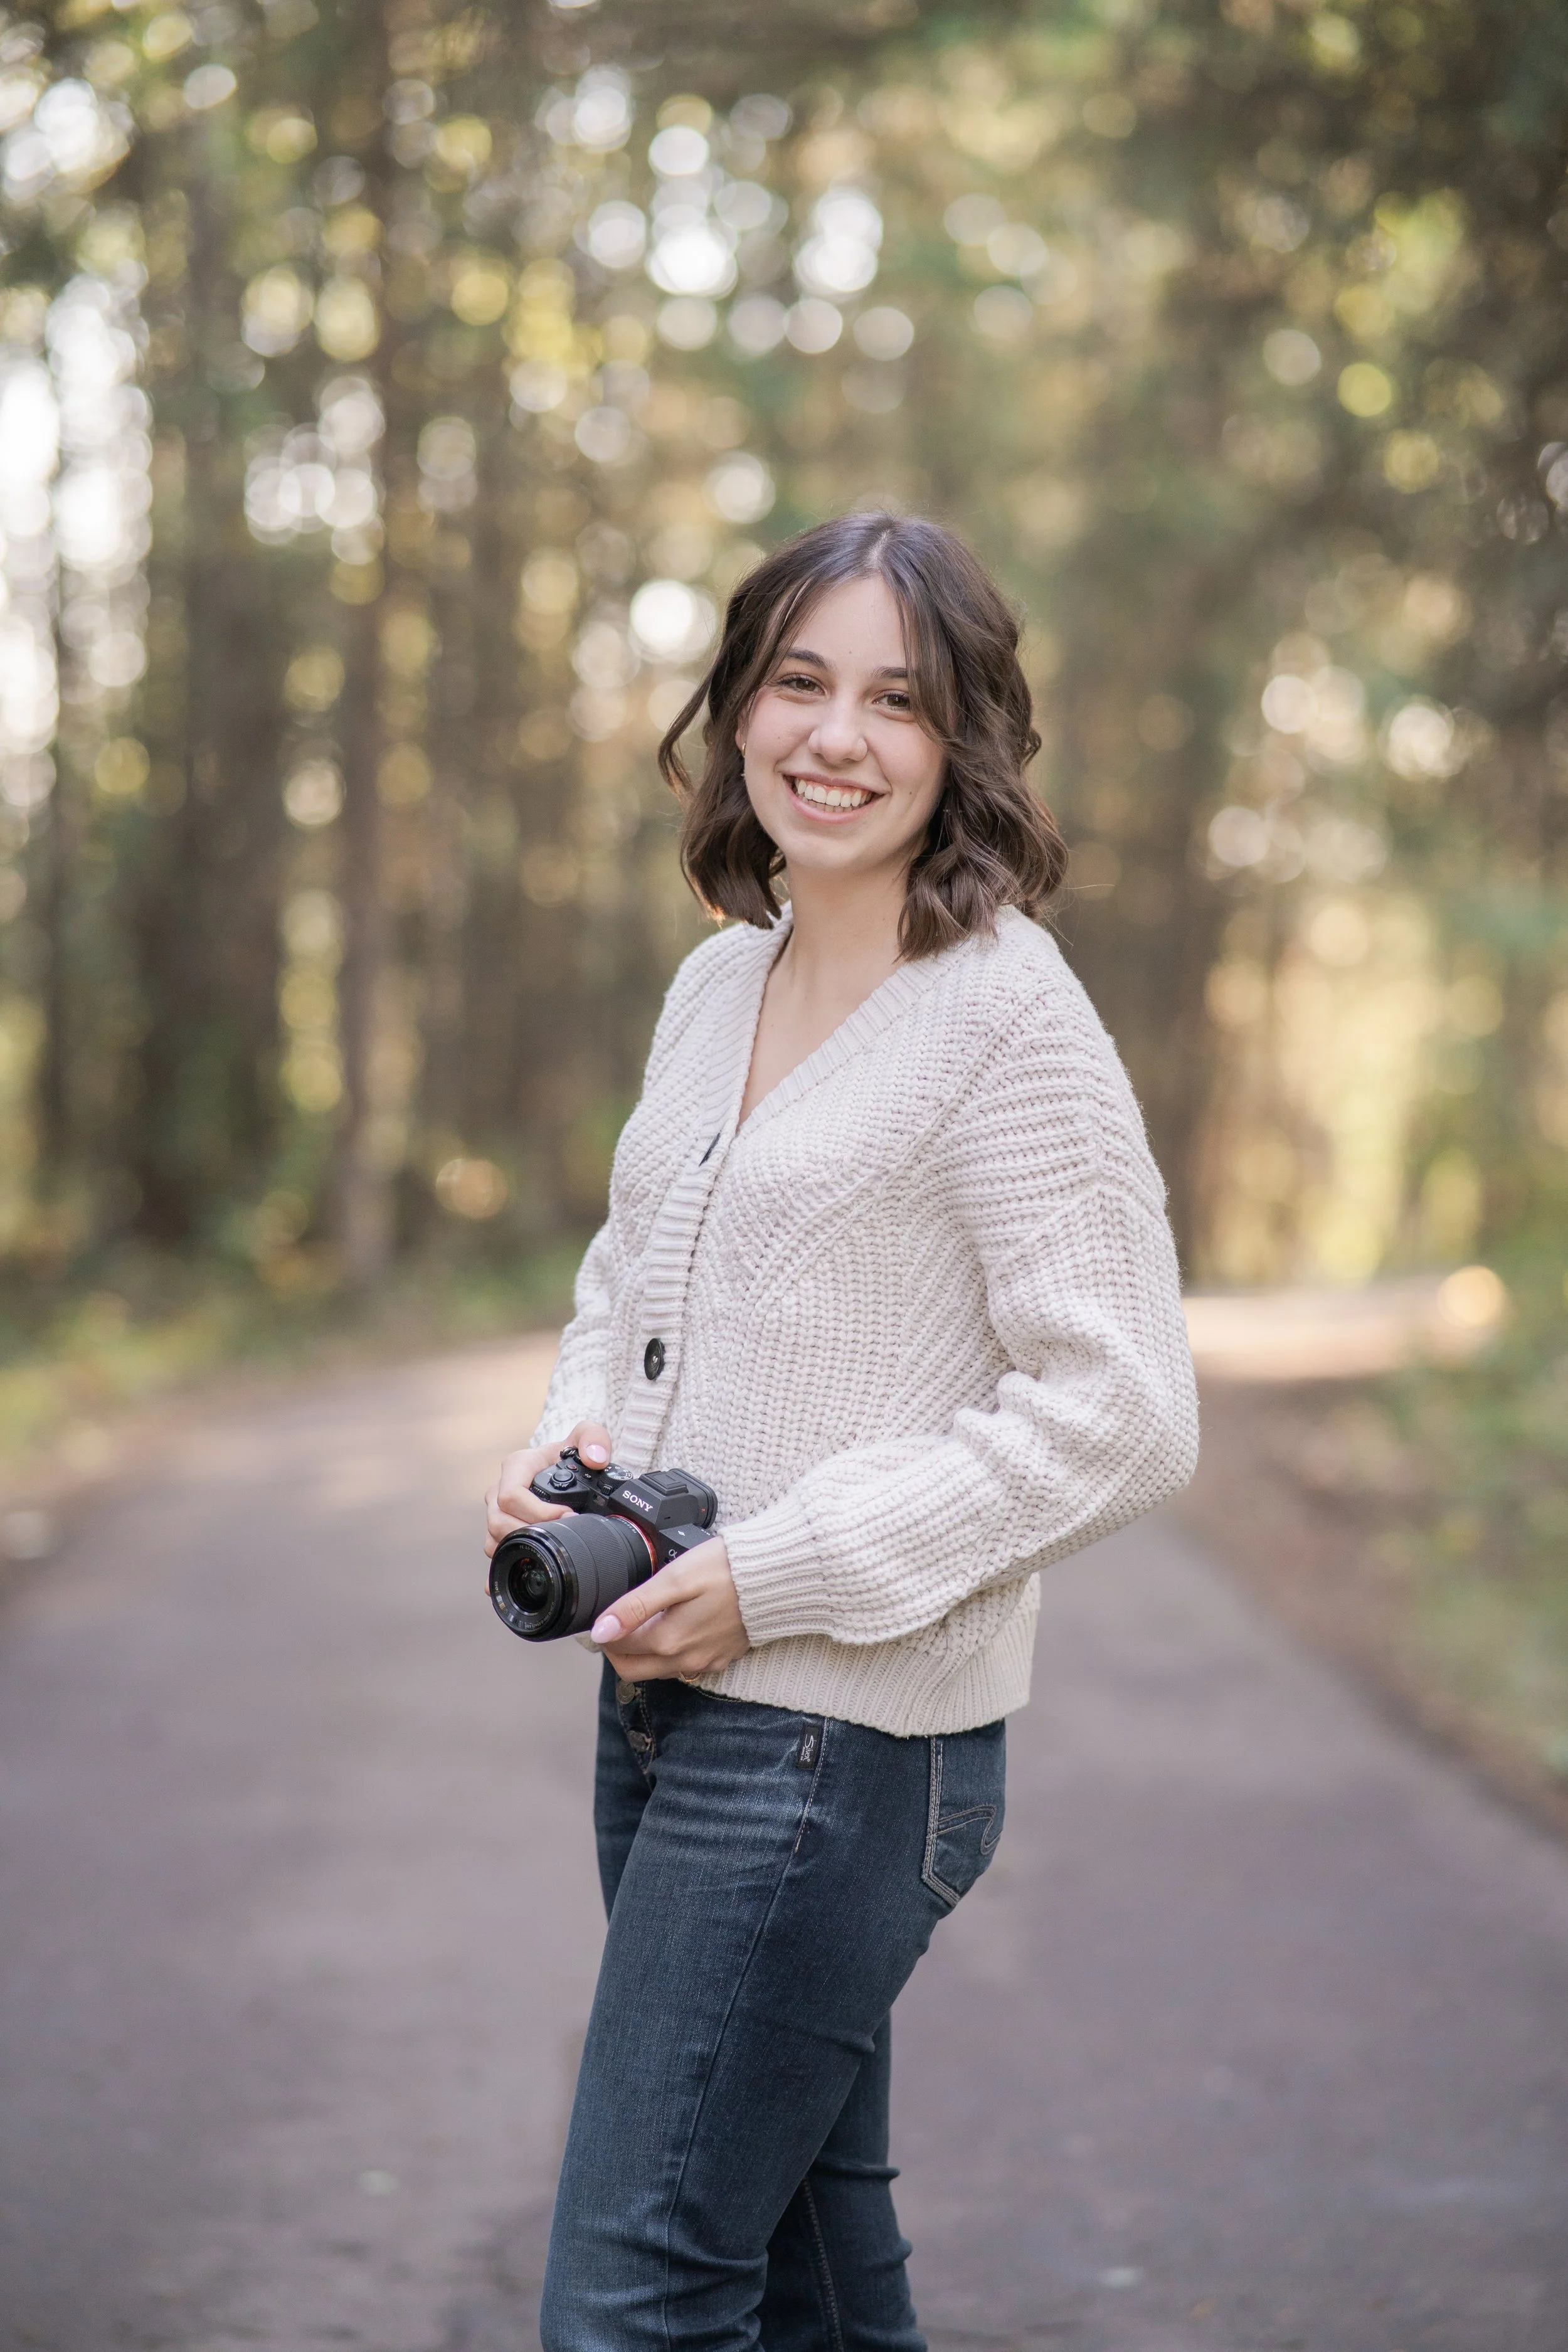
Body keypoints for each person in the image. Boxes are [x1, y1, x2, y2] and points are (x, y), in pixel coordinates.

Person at [484, 512, 1199, 2352]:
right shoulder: (719, 977)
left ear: (963, 742)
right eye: (798, 680)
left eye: (896, 696)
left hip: (838, 1748)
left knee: (632, 2298)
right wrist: (571, 1434)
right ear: (735, 710)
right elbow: (627, 1263)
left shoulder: (1003, 1014)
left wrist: (781, 1570)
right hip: (658, 1706)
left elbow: (1123, 1410)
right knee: (800, 2268)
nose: (835, 734)